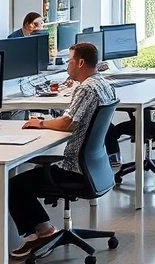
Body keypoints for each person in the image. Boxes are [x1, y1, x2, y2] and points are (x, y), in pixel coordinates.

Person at [7, 42, 117, 259]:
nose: (67, 65)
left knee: (14, 185)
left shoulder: (86, 88)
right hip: (94, 167)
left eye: (69, 60)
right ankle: (45, 231)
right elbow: (73, 119)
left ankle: (43, 233)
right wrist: (51, 121)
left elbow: (69, 124)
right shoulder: (104, 84)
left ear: (81, 62)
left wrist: (39, 124)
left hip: (75, 170)